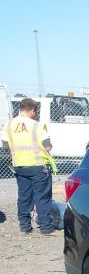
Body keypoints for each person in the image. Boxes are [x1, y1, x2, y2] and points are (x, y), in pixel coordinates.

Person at [1, 98, 59, 235]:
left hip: (19, 166)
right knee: (42, 197)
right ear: (32, 110)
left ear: (20, 109)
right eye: (35, 111)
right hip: (38, 166)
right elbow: (47, 146)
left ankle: (25, 226)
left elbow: (5, 146)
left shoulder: (8, 125)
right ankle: (46, 228)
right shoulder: (37, 125)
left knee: (24, 196)